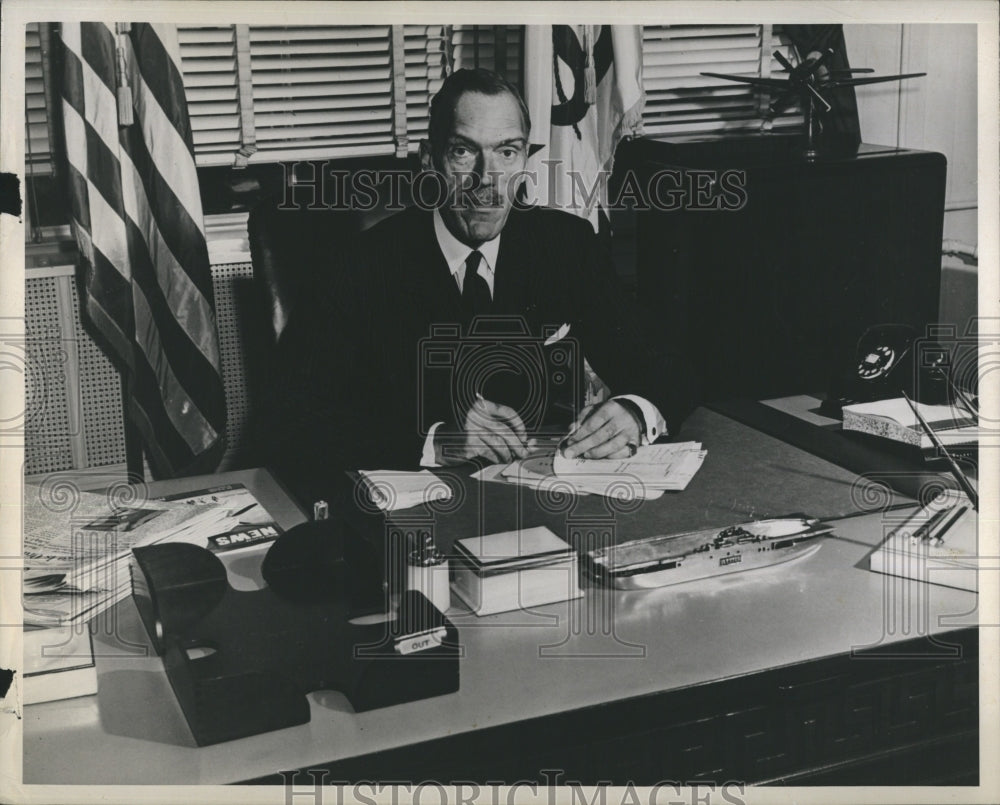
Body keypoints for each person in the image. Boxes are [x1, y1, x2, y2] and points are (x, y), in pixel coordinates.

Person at [262, 69, 697, 500]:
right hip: (417, 512)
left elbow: (667, 365)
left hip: (542, 500)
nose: (487, 178)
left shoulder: (566, 246)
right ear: (430, 159)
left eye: (507, 152)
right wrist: (436, 441)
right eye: (464, 152)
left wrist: (638, 412)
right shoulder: (360, 266)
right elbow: (290, 421)